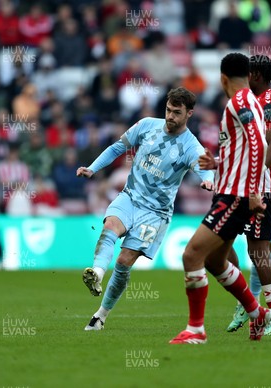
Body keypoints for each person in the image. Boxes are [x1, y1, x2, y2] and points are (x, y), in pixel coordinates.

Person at [76, 87, 214, 331]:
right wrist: (93, 168)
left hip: (155, 213)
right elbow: (117, 147)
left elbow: (203, 165)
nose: (170, 116)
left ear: (189, 114)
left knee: (124, 260)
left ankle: (101, 316)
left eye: (177, 113)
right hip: (130, 196)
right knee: (109, 227)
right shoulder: (147, 125)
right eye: (169, 110)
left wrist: (207, 179)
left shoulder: (191, 146)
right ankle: (96, 273)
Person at [169, 53, 271, 345]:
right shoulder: (248, 101)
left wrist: (253, 191)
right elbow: (243, 148)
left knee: (191, 255)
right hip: (230, 191)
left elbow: (259, 144)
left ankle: (196, 330)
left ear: (223, 78)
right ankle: (256, 312)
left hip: (235, 196)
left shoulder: (238, 102)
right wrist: (217, 163)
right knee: (215, 261)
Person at [201, 55, 271, 335]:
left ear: (259, 76)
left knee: (258, 253)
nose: (245, 77)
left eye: (250, 73)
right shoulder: (249, 101)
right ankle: (248, 304)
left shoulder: (269, 101)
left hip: (261, 189)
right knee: (222, 247)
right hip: (242, 187)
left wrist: (253, 176)